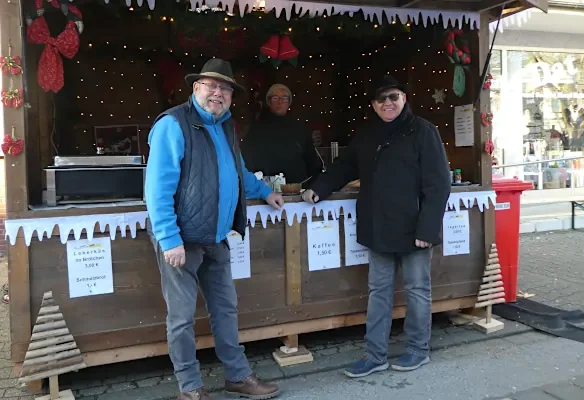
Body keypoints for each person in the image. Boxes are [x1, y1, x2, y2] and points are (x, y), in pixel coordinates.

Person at [145, 58, 284, 400]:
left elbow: (238, 172)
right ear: (196, 88)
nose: (218, 93)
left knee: (225, 309)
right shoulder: (172, 124)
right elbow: (157, 187)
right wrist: (169, 237)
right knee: (181, 318)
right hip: (182, 241)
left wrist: (265, 191)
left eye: (225, 88)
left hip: (217, 238)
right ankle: (190, 389)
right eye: (211, 85)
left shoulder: (225, 127)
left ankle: (237, 376)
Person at [302, 75, 451, 378]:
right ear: (373, 105)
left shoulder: (424, 131)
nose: (388, 103)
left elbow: (439, 184)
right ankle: (375, 355)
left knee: (418, 291)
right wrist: (320, 188)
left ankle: (417, 350)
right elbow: (345, 166)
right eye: (381, 99)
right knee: (378, 292)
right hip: (378, 228)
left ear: (404, 98)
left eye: (393, 97)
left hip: (414, 230)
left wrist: (428, 230)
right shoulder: (367, 134)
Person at [241, 84, 321, 186]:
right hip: (267, 190)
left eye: (284, 98)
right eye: (275, 98)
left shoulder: (300, 128)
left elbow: (311, 160)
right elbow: (248, 160)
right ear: (269, 102)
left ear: (289, 103)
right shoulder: (257, 129)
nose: (280, 102)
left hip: (298, 188)